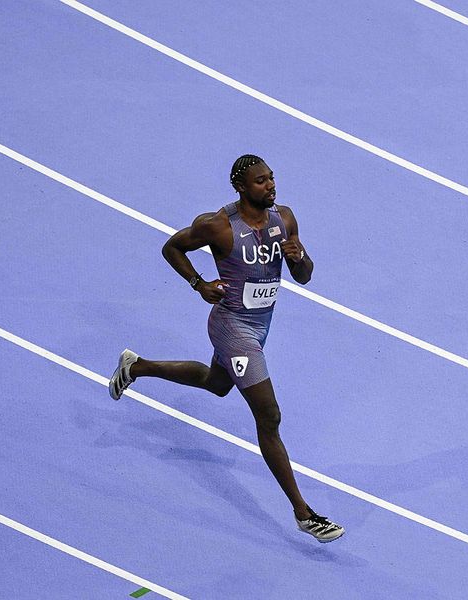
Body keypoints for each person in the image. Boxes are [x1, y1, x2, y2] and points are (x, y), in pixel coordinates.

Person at [109, 154, 344, 543]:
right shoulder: (218, 226)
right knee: (269, 417)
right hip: (231, 327)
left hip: (260, 325)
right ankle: (304, 514)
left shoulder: (284, 218)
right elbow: (172, 248)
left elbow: (304, 277)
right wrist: (199, 284)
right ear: (240, 187)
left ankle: (137, 367)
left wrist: (299, 258)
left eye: (271, 178)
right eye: (260, 181)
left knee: (217, 383)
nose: (270, 186)